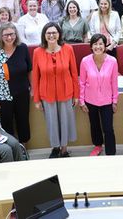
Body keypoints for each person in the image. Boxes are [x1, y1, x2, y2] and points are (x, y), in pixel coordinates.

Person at [32, 23, 79, 158]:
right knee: (52, 122)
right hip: (47, 94)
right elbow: (35, 76)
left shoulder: (68, 49)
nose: (51, 35)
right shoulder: (37, 52)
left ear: (59, 34)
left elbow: (74, 73)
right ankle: (55, 148)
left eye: (54, 32)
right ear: (44, 36)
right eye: (48, 33)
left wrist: (76, 95)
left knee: (65, 121)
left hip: (66, 92)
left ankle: (64, 149)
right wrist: (37, 99)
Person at [0, 22, 32, 143]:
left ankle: (23, 149)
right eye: (5, 35)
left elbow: (29, 70)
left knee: (23, 122)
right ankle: (12, 150)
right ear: (0, 37)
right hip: (3, 95)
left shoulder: (22, 48)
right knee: (7, 125)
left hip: (22, 93)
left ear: (16, 34)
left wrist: (32, 89)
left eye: (12, 34)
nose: (9, 37)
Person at [79, 34, 119, 156]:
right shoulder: (85, 61)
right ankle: (97, 146)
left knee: (108, 128)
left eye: (101, 43)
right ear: (91, 46)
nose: (98, 46)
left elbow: (114, 82)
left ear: (105, 45)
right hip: (90, 100)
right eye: (95, 44)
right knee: (94, 125)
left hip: (107, 101)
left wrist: (115, 101)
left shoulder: (112, 61)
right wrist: (82, 101)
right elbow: (82, 82)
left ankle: (111, 152)